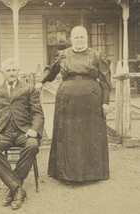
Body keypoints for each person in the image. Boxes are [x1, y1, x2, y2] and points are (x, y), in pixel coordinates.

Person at [36, 26, 111, 183]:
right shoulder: (63, 55)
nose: (79, 40)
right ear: (71, 39)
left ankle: (92, 173)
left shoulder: (96, 56)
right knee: (67, 134)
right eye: (76, 37)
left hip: (91, 101)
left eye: (82, 37)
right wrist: (40, 82)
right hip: (67, 101)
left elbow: (105, 81)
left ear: (87, 38)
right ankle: (65, 172)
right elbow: (51, 71)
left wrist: (105, 102)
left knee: (90, 134)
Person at [0, 58, 44, 210]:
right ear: (2, 73)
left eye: (14, 70)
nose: (11, 73)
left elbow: (38, 114)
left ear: (18, 71)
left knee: (32, 145)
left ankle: (12, 189)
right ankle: (17, 189)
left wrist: (34, 129)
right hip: (2, 133)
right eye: (8, 70)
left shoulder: (29, 89)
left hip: (23, 131)